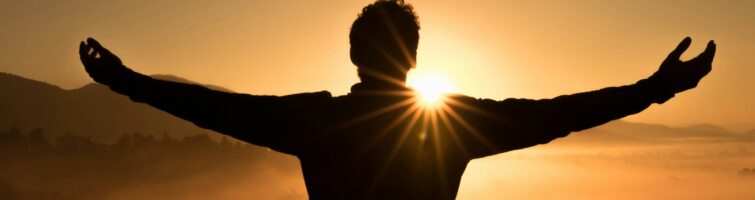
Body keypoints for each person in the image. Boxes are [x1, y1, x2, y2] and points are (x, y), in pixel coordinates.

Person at [79, 0, 715, 199]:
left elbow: (217, 108)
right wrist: (655, 90)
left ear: (355, 56)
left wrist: (126, 81)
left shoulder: (316, 121)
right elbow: (559, 114)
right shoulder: (455, 126)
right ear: (413, 60)